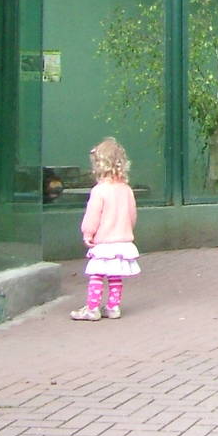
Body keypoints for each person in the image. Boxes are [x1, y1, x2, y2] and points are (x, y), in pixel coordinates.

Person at [72, 137, 140, 321]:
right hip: (123, 240)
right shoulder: (126, 190)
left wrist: (88, 232)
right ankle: (113, 306)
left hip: (104, 241)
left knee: (97, 274)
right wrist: (127, 229)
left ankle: (92, 308)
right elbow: (132, 215)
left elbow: (93, 215)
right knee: (115, 275)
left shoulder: (100, 190)